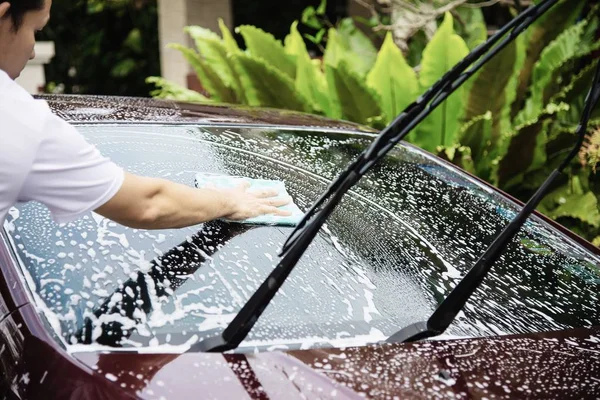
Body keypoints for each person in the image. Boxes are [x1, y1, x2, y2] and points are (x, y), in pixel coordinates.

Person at [0, 0, 290, 228]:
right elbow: (149, 205)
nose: (32, 51)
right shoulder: (19, 119)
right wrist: (229, 201)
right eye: (35, 30)